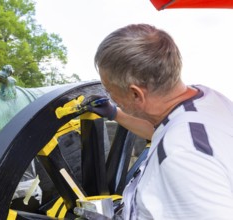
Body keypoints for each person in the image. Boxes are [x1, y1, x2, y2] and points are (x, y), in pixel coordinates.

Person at [86, 23, 233, 219]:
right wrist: (116, 113)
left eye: (109, 90)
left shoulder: (182, 156)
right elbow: (163, 131)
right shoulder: (204, 101)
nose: (109, 95)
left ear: (135, 93)